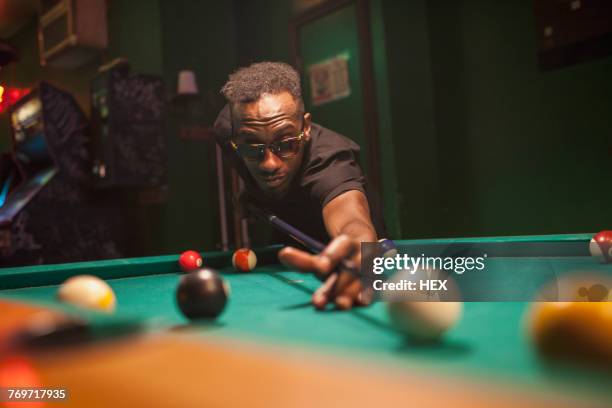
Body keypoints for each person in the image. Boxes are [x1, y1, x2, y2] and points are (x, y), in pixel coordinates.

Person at [214, 61, 385, 310]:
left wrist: (358, 253)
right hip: (293, 245)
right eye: (252, 148)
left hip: (358, 257)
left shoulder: (328, 161)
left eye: (285, 144)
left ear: (305, 128)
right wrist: (247, 193)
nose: (269, 164)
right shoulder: (228, 132)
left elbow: (351, 220)